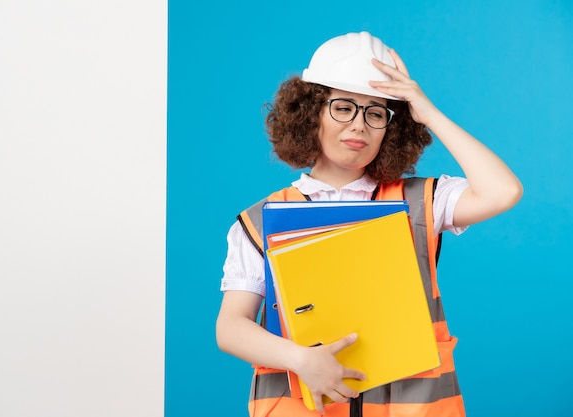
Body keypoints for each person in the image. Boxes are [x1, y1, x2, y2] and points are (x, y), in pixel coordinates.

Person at [215, 31, 522, 417]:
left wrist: (428, 112)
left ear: (391, 127)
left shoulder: (422, 201)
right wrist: (300, 360)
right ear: (312, 115)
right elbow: (230, 326)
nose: (359, 125)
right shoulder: (259, 220)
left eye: (376, 112)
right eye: (343, 107)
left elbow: (503, 192)